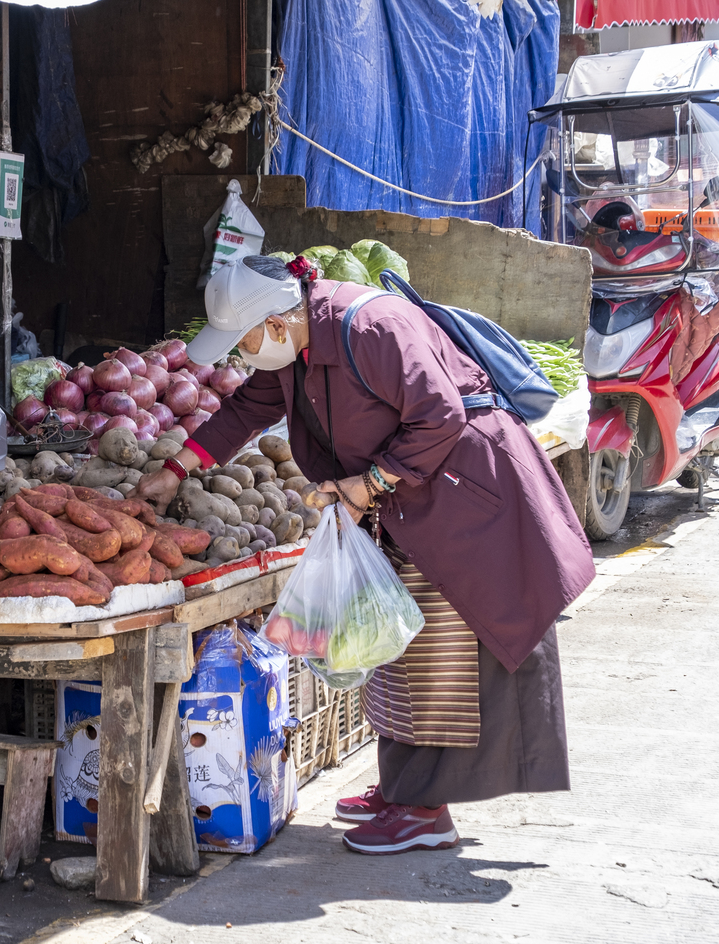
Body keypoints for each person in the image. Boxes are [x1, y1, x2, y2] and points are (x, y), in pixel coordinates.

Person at [136, 254, 595, 855]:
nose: (237, 355)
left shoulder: (373, 328)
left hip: (465, 498)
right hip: (415, 502)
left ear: (277, 323)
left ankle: (427, 813)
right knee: (403, 653)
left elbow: (441, 417)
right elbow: (250, 408)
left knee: (446, 662)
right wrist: (177, 468)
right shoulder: (297, 347)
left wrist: (369, 484)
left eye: (242, 341)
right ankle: (402, 789)